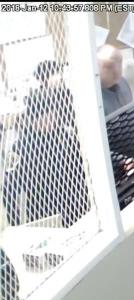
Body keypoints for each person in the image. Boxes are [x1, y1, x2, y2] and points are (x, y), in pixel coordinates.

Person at [3, 61, 90, 227]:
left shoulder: (64, 134)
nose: (55, 117)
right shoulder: (21, 147)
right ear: (36, 118)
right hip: (47, 213)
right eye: (50, 114)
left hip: (77, 206)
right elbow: (9, 189)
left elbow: (82, 162)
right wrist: (17, 225)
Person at [97, 45, 133, 117]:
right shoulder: (95, 97)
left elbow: (131, 110)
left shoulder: (123, 82)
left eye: (119, 63)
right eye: (109, 66)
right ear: (97, 67)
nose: (116, 70)